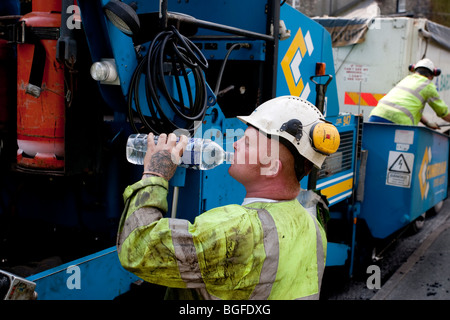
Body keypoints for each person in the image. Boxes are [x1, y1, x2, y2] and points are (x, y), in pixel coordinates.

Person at [116, 95, 340, 300]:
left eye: (247, 142)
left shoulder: (238, 230)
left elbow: (136, 249)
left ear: (271, 167)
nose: (235, 143)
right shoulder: (312, 224)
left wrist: (155, 174)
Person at [368, 58, 450, 128]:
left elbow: (405, 108)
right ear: (432, 75)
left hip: (377, 115)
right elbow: (443, 113)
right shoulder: (428, 86)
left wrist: (427, 123)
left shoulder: (407, 79)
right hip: (399, 121)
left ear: (414, 71)